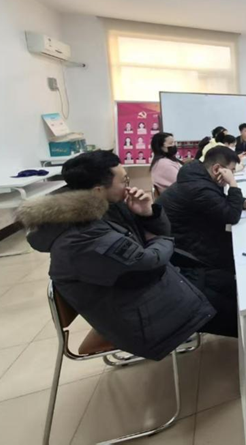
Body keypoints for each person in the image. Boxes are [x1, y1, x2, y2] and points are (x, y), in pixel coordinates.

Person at [14, 151, 217, 361]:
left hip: (148, 289)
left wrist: (147, 213)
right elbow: (148, 260)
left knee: (222, 280)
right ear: (98, 190)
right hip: (140, 317)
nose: (129, 186)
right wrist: (162, 239)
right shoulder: (81, 237)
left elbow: (149, 250)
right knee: (229, 304)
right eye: (124, 181)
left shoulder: (108, 206)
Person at [158, 146, 246, 273]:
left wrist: (242, 203)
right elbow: (232, 216)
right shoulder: (199, 188)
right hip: (187, 246)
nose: (232, 175)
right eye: (231, 171)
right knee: (242, 250)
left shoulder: (197, 176)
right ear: (216, 169)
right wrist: (233, 183)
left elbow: (216, 201)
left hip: (190, 233)